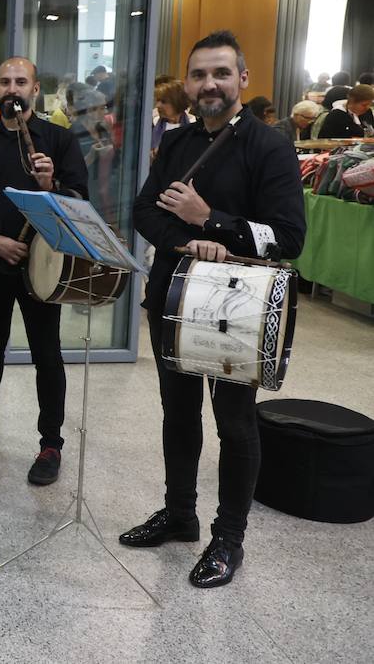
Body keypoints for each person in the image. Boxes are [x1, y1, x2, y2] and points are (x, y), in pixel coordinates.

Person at [122, 30, 306, 588]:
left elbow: (290, 237)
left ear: (242, 80)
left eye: (221, 73)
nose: (210, 84)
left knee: (234, 422)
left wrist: (212, 222)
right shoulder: (177, 143)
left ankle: (229, 538)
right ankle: (180, 516)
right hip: (174, 299)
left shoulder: (270, 145)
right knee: (178, 414)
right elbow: (142, 212)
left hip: (240, 311)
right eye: (200, 74)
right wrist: (183, 241)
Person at [0, 57, 90, 485]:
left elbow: (80, 204)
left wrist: (52, 188)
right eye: (6, 82)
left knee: (47, 352)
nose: (12, 89)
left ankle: (51, 443)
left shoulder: (60, 142)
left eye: (21, 82)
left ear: (35, 88)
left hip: (43, 266)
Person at [152, 80, 193, 153]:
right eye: (157, 100)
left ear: (177, 103)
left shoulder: (193, 125)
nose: (157, 106)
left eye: (163, 102)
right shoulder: (152, 124)